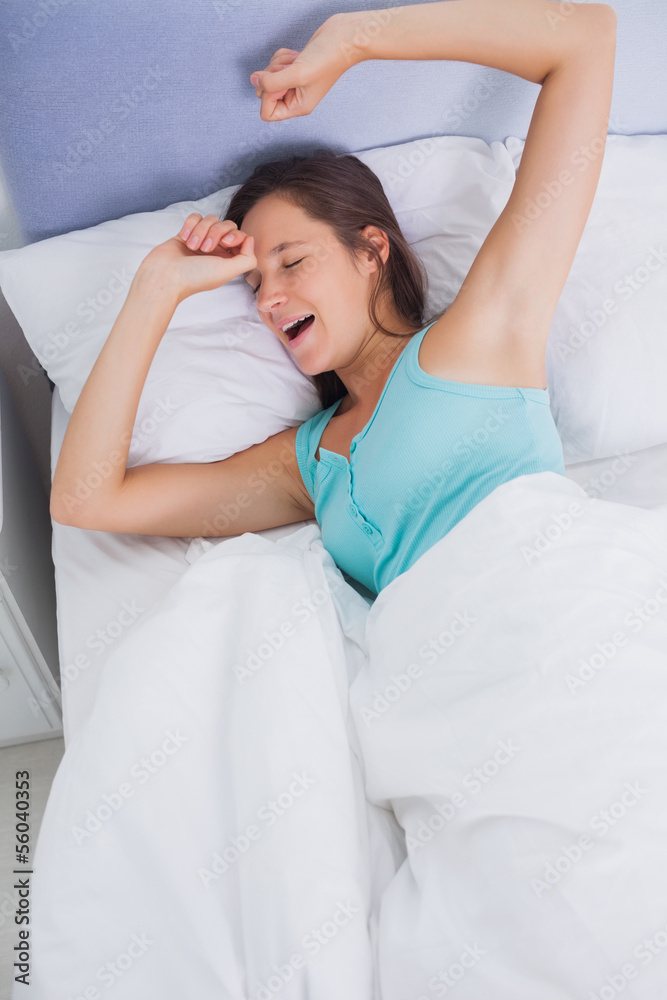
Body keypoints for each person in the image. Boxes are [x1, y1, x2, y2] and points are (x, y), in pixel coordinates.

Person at [50, 0, 617, 597]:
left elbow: (584, 37)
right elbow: (87, 500)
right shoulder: (307, 466)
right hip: (448, 676)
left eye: (292, 262)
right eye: (254, 283)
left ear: (372, 250)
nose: (269, 298)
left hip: (566, 613)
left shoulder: (485, 336)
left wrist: (354, 40)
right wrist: (156, 289)